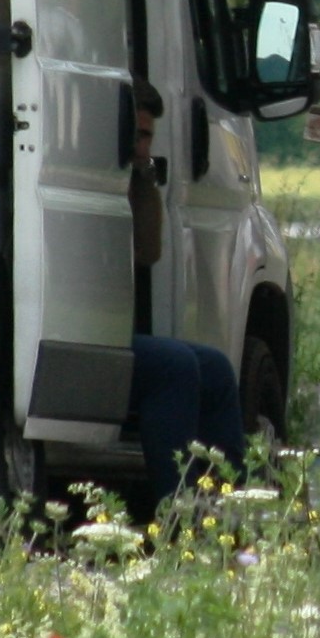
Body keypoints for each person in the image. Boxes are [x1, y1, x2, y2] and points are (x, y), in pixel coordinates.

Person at [127, 80, 246, 504]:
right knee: (173, 367)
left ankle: (229, 507)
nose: (144, 148)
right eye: (138, 136)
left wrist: (143, 181)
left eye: (149, 138)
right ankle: (178, 511)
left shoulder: (131, 180)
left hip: (107, 337)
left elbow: (147, 251)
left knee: (213, 368)